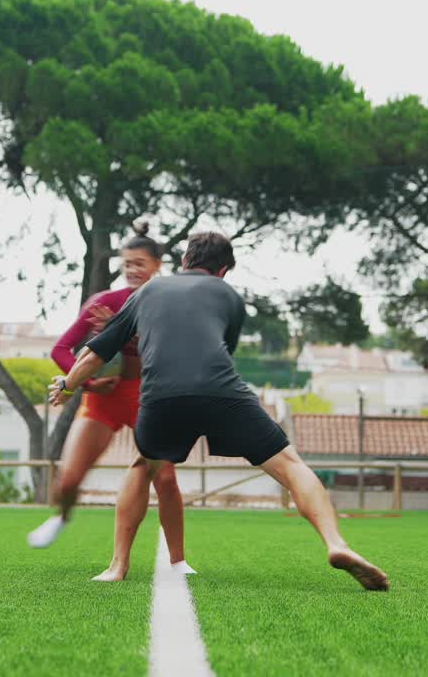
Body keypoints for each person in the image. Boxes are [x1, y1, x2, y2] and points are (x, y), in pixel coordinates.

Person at [48, 232, 389, 591]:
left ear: (183, 262)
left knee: (144, 465)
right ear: (223, 270)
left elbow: (94, 354)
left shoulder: (147, 292)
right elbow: (221, 349)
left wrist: (68, 386)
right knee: (290, 464)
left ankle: (118, 566)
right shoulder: (230, 297)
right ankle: (336, 544)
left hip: (161, 396)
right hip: (222, 392)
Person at [28, 224, 195, 580]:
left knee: (164, 478)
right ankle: (61, 515)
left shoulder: (168, 301)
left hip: (147, 395)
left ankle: (178, 560)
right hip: (103, 400)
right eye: (127, 264)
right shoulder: (103, 302)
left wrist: (129, 328)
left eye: (140, 263)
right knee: (69, 479)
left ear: (158, 265)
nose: (132, 270)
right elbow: (60, 349)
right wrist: (87, 382)